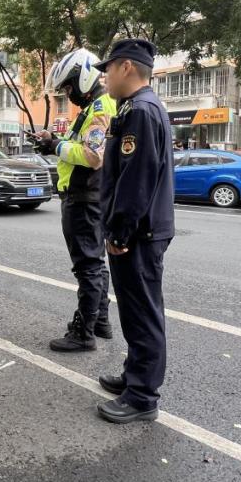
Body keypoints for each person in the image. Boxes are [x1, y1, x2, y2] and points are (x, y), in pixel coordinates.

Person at [94, 38, 175, 424]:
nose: (104, 77)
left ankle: (142, 396)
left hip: (138, 232)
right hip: (141, 229)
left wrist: (120, 231)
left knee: (142, 312)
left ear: (126, 67)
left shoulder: (141, 111)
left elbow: (136, 179)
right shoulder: (138, 108)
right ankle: (134, 376)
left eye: (107, 68)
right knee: (134, 308)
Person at [32, 48, 116, 352]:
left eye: (68, 87)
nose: (67, 93)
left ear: (83, 77)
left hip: (85, 199)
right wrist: (51, 143)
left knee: (87, 266)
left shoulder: (99, 109)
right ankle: (100, 320)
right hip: (88, 196)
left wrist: (55, 147)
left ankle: (84, 332)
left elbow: (93, 156)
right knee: (96, 263)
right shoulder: (94, 107)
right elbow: (75, 145)